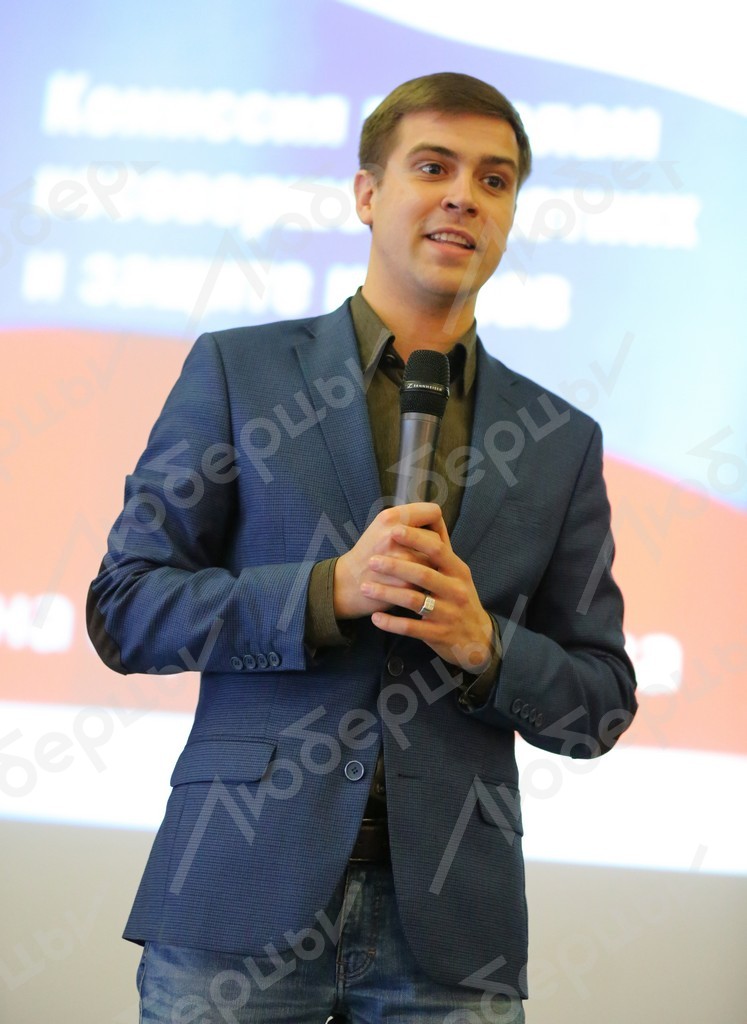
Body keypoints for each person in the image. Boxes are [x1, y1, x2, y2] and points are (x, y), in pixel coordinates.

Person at [88, 72, 637, 1022]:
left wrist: (485, 646)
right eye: (433, 167)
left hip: (450, 929)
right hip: (237, 894)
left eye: (494, 180)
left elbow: (599, 704)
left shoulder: (559, 438)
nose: (464, 196)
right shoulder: (240, 371)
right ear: (366, 193)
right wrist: (325, 592)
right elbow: (125, 607)